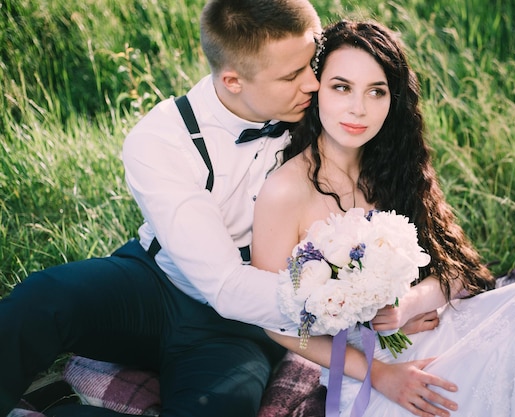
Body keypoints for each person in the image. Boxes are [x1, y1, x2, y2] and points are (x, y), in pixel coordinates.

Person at [251, 19, 515, 417]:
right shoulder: (284, 192)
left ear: (393, 99)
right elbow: (276, 324)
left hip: (438, 328)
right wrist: (380, 374)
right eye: (341, 87)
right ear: (317, 88)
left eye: (376, 91)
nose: (358, 108)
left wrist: (408, 304)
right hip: (369, 370)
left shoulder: (393, 166)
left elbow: (462, 270)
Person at [0, 1, 325, 417]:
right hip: (150, 285)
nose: (313, 84)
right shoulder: (160, 138)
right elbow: (224, 285)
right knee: (42, 300)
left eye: (311, 64)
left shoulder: (322, 114)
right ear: (233, 80)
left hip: (238, 328)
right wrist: (335, 304)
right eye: (292, 75)